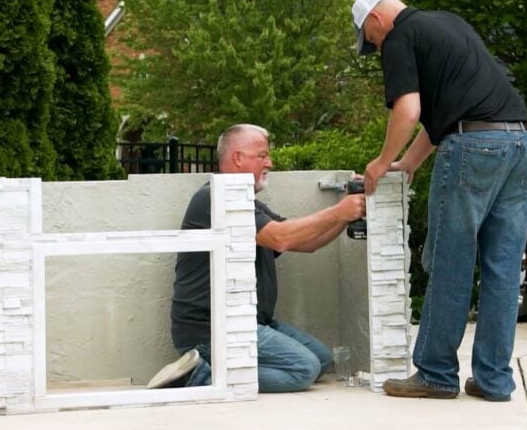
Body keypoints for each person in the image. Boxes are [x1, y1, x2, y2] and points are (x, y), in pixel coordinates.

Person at [352, 0, 527, 401]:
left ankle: (435, 373)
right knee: (503, 270)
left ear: (376, 21)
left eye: (372, 39)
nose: (376, 46)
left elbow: (409, 110)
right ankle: (493, 381)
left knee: (451, 259)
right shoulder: (448, 22)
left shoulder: (399, 36)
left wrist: (383, 162)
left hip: (473, 149)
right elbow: (447, 116)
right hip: (520, 145)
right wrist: (411, 163)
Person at [146, 123, 366, 392]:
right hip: (210, 330)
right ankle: (198, 376)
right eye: (262, 155)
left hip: (249, 321)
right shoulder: (214, 199)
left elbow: (306, 243)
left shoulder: (245, 202)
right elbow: (281, 237)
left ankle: (211, 370)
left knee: (320, 359)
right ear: (237, 157)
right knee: (303, 369)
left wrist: (345, 214)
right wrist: (338, 212)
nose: (270, 162)